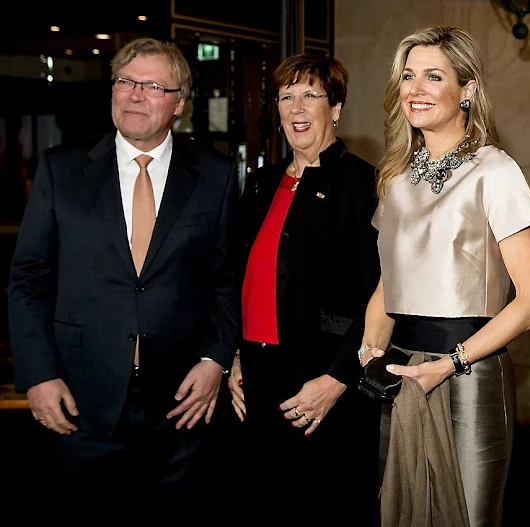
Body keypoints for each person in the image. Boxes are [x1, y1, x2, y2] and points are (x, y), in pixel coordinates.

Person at [7, 37, 239, 509]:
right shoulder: (62, 170)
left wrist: (215, 360)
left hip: (181, 406)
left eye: (152, 85)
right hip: (79, 400)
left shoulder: (214, 176)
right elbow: (28, 279)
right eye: (125, 81)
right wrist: (37, 375)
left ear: (179, 103)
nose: (135, 94)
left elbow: (226, 280)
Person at [358, 26, 530, 526]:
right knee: (397, 510)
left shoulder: (496, 171)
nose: (415, 89)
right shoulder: (394, 180)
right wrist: (368, 358)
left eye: (433, 76)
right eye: (407, 76)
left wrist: (450, 364)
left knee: (466, 517)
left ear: (466, 89)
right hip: (399, 374)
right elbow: (387, 287)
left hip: (471, 375)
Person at [226, 53, 382, 526]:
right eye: (286, 96)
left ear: (335, 108)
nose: (297, 106)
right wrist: (235, 358)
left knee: (324, 506)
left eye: (311, 95)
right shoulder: (260, 183)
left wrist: (337, 381)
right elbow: (240, 281)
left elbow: (383, 294)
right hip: (256, 377)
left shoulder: (362, 183)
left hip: (323, 382)